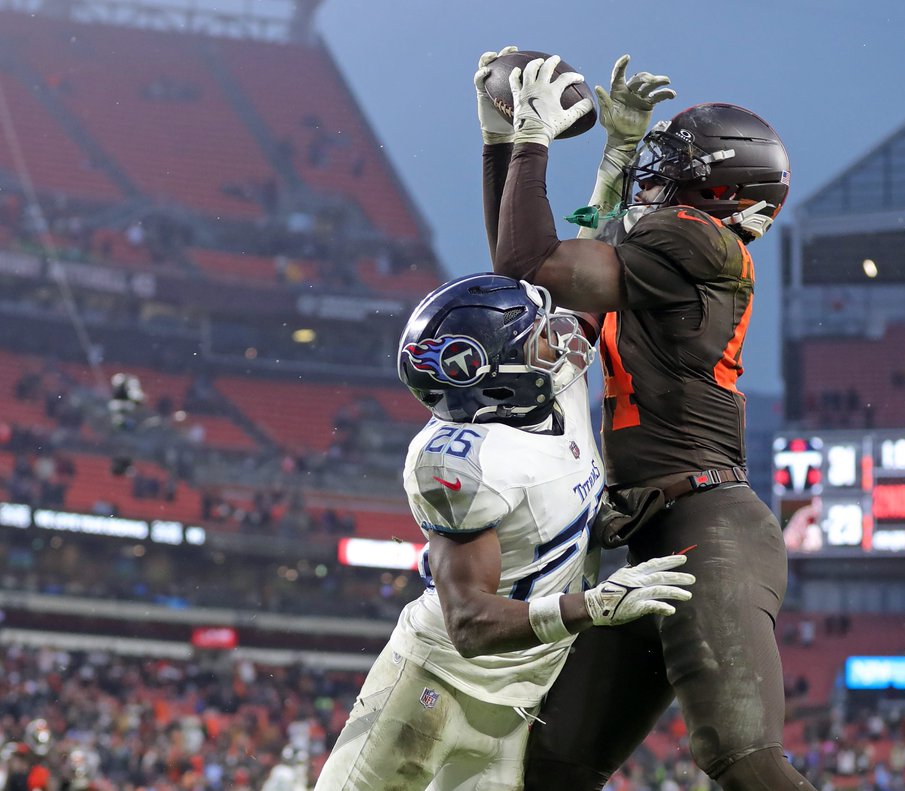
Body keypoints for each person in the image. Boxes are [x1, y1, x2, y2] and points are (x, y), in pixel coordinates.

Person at [477, 50, 815, 791]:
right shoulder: (671, 255)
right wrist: (499, 144)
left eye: (669, 163)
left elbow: (533, 260)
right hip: (656, 537)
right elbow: (524, 289)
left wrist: (530, 139)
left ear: (715, 187)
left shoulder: (696, 239)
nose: (647, 175)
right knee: (551, 767)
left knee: (741, 754)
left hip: (707, 528)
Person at [313, 273, 694, 791]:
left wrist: (608, 197)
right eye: (538, 337)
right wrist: (594, 606)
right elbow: (468, 623)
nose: (557, 338)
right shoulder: (463, 462)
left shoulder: (558, 390)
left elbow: (570, 270)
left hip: (520, 696)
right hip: (437, 683)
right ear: (495, 376)